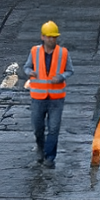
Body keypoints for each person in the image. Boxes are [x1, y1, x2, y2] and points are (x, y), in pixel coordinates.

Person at [26, 21, 70, 167]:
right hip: (38, 98)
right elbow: (26, 67)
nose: (52, 40)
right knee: (38, 128)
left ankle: (49, 157)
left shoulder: (63, 53)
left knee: (53, 129)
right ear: (43, 37)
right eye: (49, 37)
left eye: (54, 37)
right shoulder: (34, 51)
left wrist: (61, 77)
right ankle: (40, 148)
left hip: (56, 99)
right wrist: (29, 72)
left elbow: (70, 70)